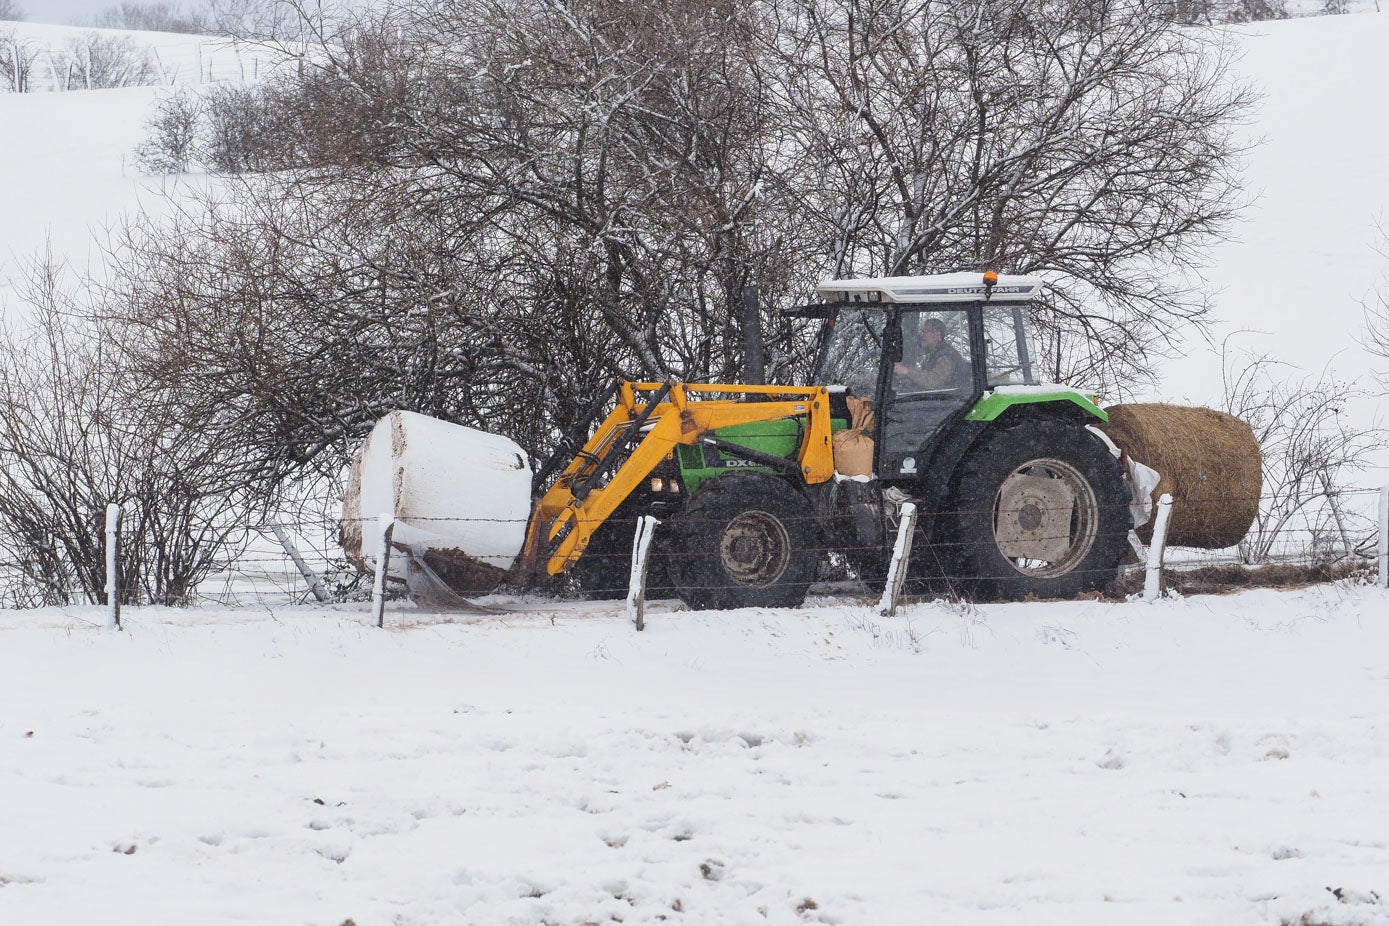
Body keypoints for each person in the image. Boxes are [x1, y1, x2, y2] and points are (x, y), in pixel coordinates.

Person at [894, 317, 970, 391]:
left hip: (949, 400)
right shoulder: (932, 354)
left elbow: (933, 382)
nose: (921, 334)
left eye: (925, 331)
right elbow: (927, 377)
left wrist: (907, 371)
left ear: (937, 335)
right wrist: (913, 382)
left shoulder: (946, 357)